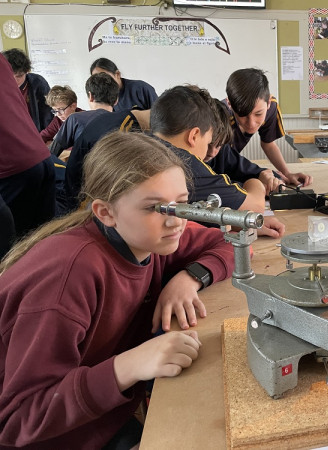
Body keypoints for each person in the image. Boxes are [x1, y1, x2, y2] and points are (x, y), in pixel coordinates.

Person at [0, 131, 235, 449]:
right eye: (155, 208)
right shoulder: (68, 277)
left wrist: (189, 278)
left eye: (180, 204)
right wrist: (130, 364)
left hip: (100, 419)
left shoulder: (143, 236)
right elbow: (19, 417)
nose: (176, 221)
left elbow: (224, 242)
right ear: (105, 212)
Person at [151, 85, 285, 238]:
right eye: (208, 140)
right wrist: (255, 183)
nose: (211, 151)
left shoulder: (143, 146)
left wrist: (238, 223)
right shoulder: (183, 165)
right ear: (194, 136)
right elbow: (254, 210)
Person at [224, 68, 312, 187]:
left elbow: (268, 143)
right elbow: (225, 163)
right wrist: (259, 174)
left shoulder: (272, 109)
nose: (251, 123)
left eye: (258, 114)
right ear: (229, 104)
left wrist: (287, 174)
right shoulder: (220, 118)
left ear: (269, 103)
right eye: (243, 115)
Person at [0, 53, 55, 242]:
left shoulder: (37, 83)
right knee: (40, 239)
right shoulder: (2, 61)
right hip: (39, 157)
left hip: (14, 167)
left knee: (17, 243)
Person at [64, 107, 150, 212]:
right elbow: (117, 185)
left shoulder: (121, 116)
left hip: (77, 189)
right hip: (84, 199)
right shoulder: (122, 133)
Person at [50, 72, 119, 157]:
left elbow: (51, 154)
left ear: (91, 96)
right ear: (116, 100)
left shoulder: (75, 119)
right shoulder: (127, 121)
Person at [2, 48, 53, 131]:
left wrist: (46, 136)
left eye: (19, 76)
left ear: (27, 71)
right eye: (10, 76)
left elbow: (48, 114)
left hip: (35, 132)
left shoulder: (38, 82)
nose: (15, 80)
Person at [90, 57, 158, 112]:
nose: (101, 83)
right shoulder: (99, 98)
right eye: (96, 79)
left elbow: (160, 116)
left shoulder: (141, 89)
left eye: (105, 77)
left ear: (117, 74)